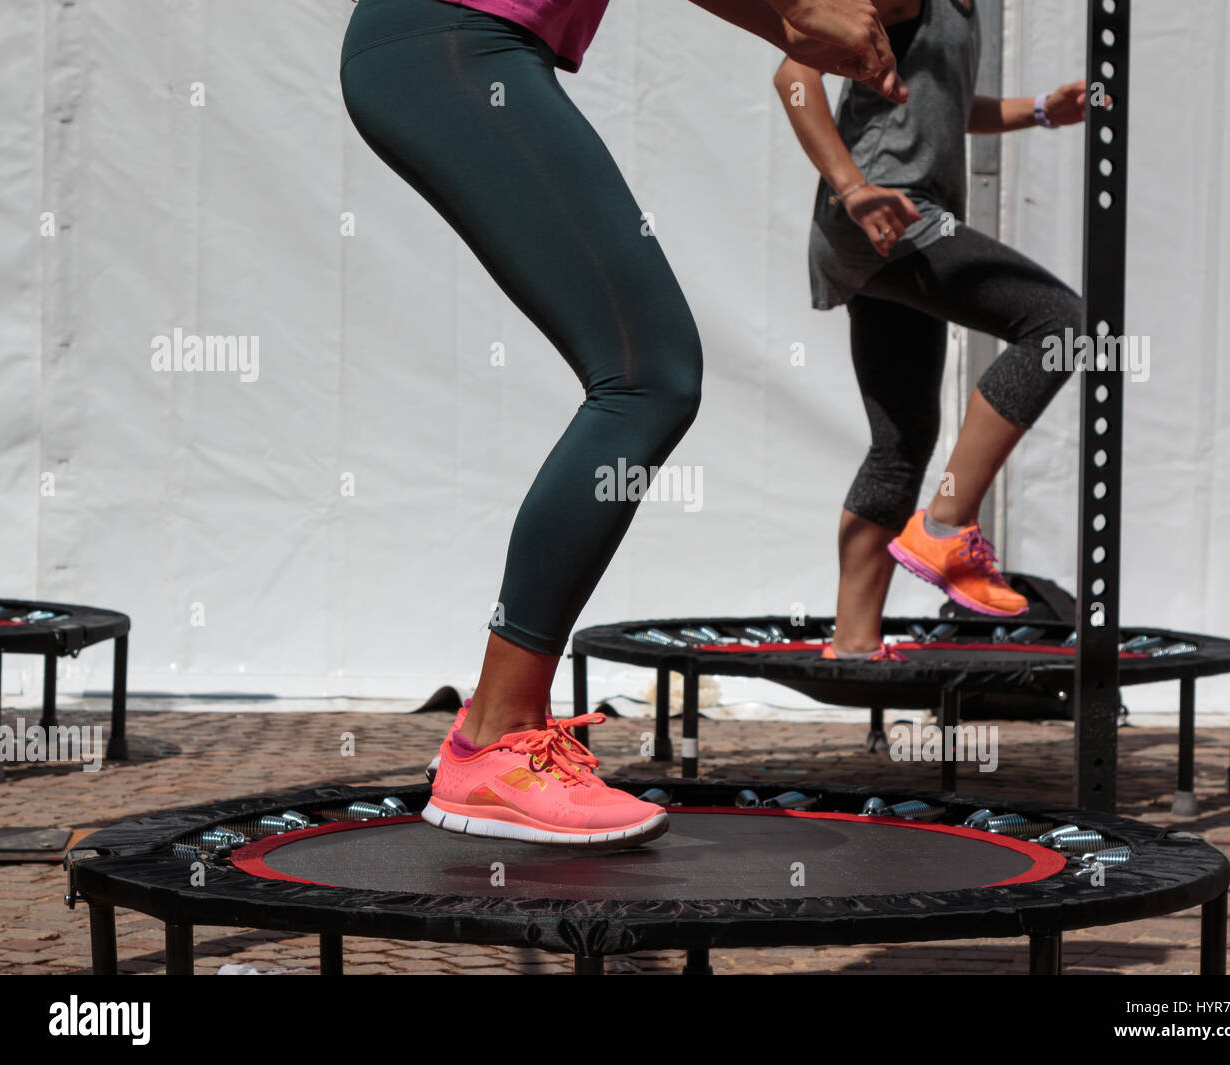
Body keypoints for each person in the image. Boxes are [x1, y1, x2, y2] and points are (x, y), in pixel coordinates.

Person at [340, 0, 905, 846]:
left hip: (457, 46)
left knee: (653, 376)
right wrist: (794, 13)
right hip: (449, 39)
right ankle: (493, 737)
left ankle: (499, 728)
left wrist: (786, 28)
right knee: (648, 376)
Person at [774, 0, 1100, 660]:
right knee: (1059, 322)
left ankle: (855, 641)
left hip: (888, 226)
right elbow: (794, 75)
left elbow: (948, 107)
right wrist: (853, 187)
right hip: (887, 213)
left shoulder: (963, 10)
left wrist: (1040, 110)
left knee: (901, 441)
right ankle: (948, 524)